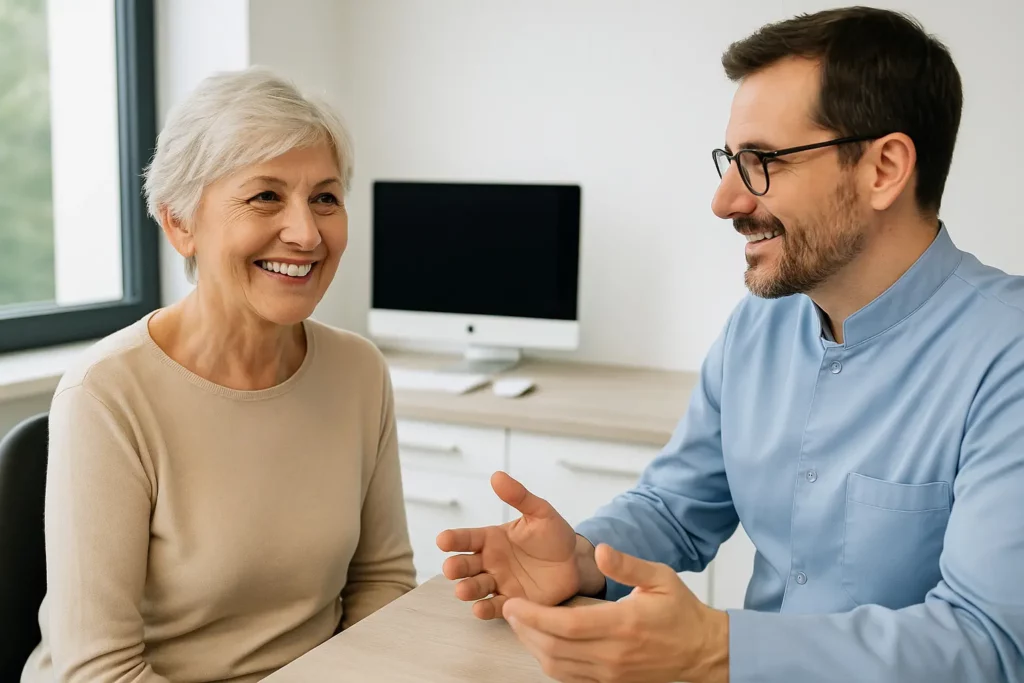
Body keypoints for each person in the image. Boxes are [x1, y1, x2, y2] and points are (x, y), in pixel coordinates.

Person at [437, 7, 1024, 683]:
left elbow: (989, 643)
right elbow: (674, 509)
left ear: (884, 168)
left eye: (761, 162)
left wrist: (721, 649)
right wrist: (579, 555)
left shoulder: (1006, 354)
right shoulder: (757, 326)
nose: (724, 200)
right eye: (730, 161)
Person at [22, 67, 416, 683]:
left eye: (325, 197)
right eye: (265, 196)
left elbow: (382, 581)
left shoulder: (358, 371)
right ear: (179, 222)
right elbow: (99, 672)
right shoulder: (106, 393)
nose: (306, 232)